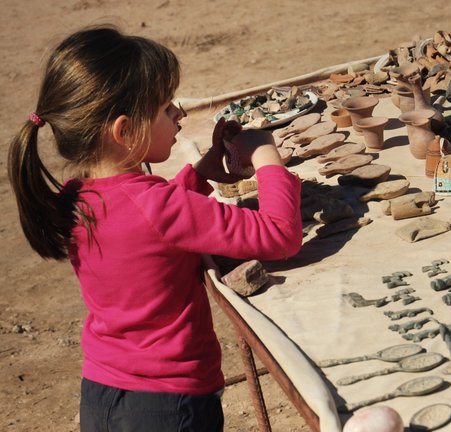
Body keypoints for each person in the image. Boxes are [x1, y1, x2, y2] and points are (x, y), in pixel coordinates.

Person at [6, 25, 303, 431]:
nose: (178, 113)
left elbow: (142, 225)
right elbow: (279, 234)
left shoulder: (79, 194)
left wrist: (201, 173)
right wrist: (267, 157)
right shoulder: (157, 206)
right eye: (166, 108)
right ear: (124, 132)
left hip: (104, 394)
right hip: (170, 407)